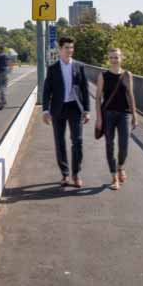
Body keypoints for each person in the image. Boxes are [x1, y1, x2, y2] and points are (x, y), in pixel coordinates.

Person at [42, 36, 91, 187]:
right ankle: (65, 174)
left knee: (77, 141)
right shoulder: (53, 68)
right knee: (59, 142)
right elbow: (46, 91)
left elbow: (85, 89)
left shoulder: (79, 66)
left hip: (75, 108)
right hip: (58, 108)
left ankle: (76, 174)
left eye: (71, 48)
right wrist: (45, 110)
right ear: (60, 49)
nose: (70, 50)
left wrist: (87, 110)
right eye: (67, 48)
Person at [95, 48, 137, 190]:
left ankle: (120, 167)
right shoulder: (103, 75)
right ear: (109, 59)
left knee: (124, 145)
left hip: (125, 114)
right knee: (109, 144)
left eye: (116, 57)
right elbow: (98, 97)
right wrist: (99, 118)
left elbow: (131, 96)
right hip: (108, 114)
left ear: (121, 58)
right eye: (111, 57)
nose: (114, 60)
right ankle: (114, 177)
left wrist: (134, 116)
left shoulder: (127, 75)